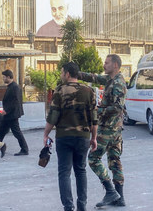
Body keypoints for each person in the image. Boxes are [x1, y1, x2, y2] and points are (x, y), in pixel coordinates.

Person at [44, 62, 98, 211]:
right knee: (81, 170)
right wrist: (93, 138)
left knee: (64, 172)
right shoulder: (89, 91)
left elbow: (53, 115)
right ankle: (82, 206)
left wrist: (46, 134)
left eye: (62, 72)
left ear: (67, 74)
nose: (61, 75)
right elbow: (94, 118)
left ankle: (68, 207)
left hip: (64, 137)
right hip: (83, 137)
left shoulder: (60, 91)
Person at [78, 54, 127, 207]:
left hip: (109, 129)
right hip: (115, 129)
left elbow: (118, 108)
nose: (104, 65)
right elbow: (95, 78)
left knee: (93, 159)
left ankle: (111, 191)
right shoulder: (110, 80)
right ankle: (120, 198)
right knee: (114, 161)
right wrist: (77, 74)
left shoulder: (118, 82)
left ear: (115, 66)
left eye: (107, 63)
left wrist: (98, 111)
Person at [0, 70, 29, 157]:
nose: (3, 79)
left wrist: (7, 110)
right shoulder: (11, 87)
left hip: (12, 115)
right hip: (8, 114)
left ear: (9, 77)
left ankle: (24, 149)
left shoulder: (15, 87)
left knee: (16, 132)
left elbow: (16, 101)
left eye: (4, 77)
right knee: (1, 132)